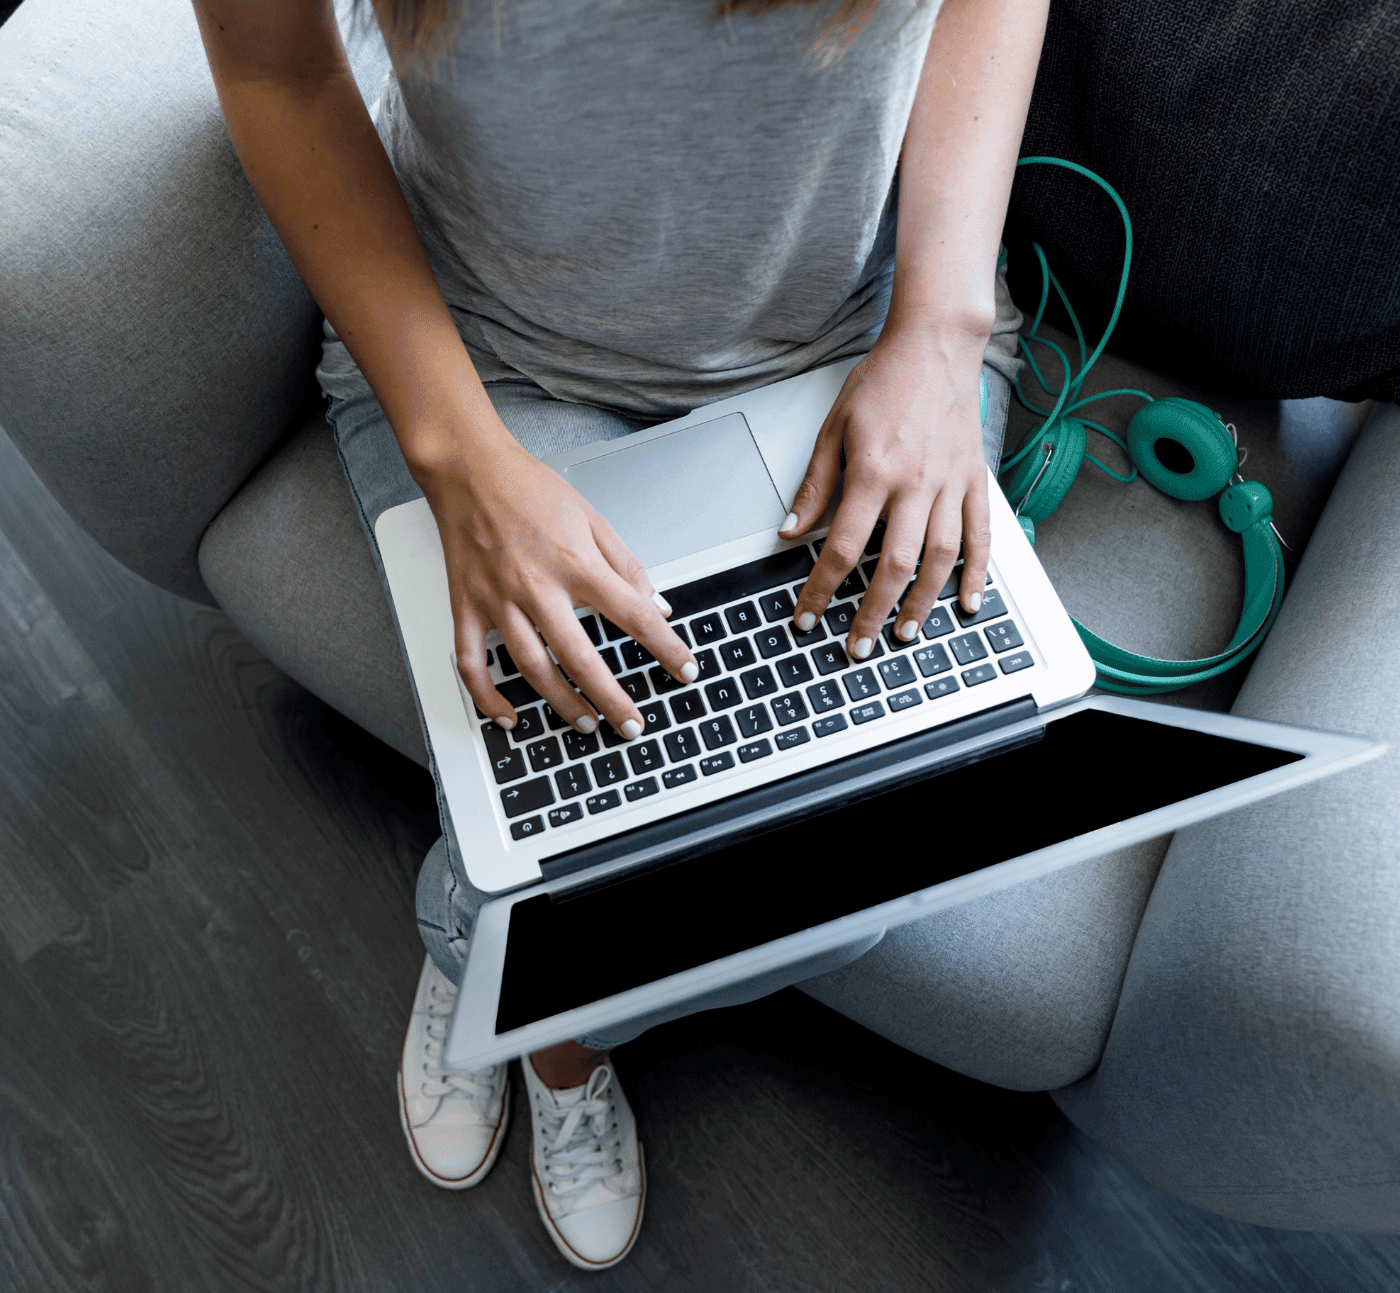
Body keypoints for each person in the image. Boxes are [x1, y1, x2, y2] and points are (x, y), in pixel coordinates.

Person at [192, 0, 1045, 1269]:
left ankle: (509, 980)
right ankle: (549, 1018)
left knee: (853, 889)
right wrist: (462, 461)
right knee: (568, 834)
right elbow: (279, 72)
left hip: (859, 346)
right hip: (494, 370)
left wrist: (939, 332)